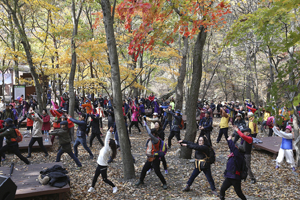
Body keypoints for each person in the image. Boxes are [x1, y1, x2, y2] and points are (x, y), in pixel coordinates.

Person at [135, 120, 167, 189]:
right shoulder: (151, 139)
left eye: (152, 134)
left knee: (157, 172)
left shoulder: (156, 140)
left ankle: (164, 183)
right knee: (144, 169)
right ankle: (141, 180)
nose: (150, 135)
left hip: (155, 158)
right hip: (150, 158)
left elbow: (149, 133)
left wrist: (145, 125)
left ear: (154, 134)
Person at [88, 127, 118, 193]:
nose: (107, 141)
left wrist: (109, 132)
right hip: (99, 164)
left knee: (105, 179)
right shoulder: (108, 147)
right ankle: (92, 187)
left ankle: (114, 187)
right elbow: (109, 138)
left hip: (103, 166)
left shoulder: (107, 148)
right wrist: (110, 132)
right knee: (95, 176)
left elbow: (107, 137)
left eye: (108, 142)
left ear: (109, 144)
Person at [219, 135, 247, 200]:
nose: (235, 147)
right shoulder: (234, 155)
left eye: (236, 147)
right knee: (222, 189)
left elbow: (232, 147)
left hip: (235, 177)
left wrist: (229, 140)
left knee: (239, 192)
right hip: (229, 177)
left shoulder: (239, 156)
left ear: (238, 149)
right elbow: (232, 149)